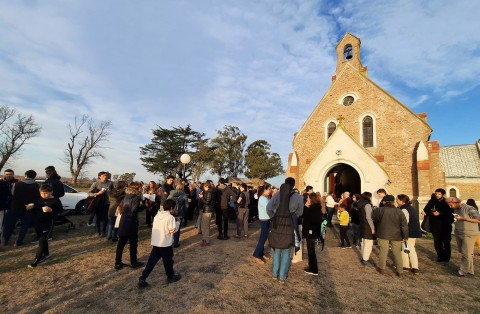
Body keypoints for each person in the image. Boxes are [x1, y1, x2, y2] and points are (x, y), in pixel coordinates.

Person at [266, 177, 303, 283]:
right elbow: (300, 212)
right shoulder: (298, 197)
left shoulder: (277, 195)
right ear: (293, 185)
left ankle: (274, 273)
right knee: (287, 250)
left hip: (277, 224)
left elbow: (268, 208)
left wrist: (274, 217)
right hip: (290, 225)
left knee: (277, 249)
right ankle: (282, 276)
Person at [138, 199, 181, 288]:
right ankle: (170, 276)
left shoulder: (157, 215)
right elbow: (172, 230)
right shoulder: (170, 217)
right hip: (165, 243)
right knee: (168, 261)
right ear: (172, 208)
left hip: (156, 242)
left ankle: (143, 277)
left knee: (151, 261)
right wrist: (177, 223)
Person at [27, 184, 62, 268]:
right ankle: (46, 254)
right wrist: (30, 207)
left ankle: (36, 260)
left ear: (51, 192)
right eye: (42, 193)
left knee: (42, 240)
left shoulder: (55, 200)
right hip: (38, 222)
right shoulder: (38, 199)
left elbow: (60, 211)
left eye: (46, 193)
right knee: (42, 239)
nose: (43, 195)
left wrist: (51, 210)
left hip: (49, 222)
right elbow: (35, 210)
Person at [372, 195, 408, 276]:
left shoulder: (380, 210)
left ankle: (381, 268)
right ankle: (400, 270)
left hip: (383, 233)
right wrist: (405, 236)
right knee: (397, 253)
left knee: (383, 252)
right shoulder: (399, 211)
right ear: (393, 202)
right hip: (396, 235)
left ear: (384, 201)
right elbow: (404, 225)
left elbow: (374, 219)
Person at [3, 170, 40, 247]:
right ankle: (19, 241)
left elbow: (12, 194)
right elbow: (37, 198)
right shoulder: (37, 186)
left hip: (15, 207)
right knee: (24, 226)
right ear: (34, 176)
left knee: (9, 225)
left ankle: (5, 240)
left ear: (25, 175)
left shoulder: (17, 184)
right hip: (29, 208)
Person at [446, 197, 480, 277]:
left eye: (451, 205)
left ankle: (463, 271)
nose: (450, 207)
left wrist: (463, 219)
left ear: (457, 202)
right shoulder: (456, 209)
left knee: (466, 252)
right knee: (463, 251)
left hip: (469, 233)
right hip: (459, 232)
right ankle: (470, 270)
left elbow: (478, 220)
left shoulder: (469, 208)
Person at [114, 182, 145, 270]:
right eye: (139, 188)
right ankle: (134, 262)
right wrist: (144, 206)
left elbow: (121, 208)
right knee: (133, 244)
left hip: (123, 222)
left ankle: (118, 263)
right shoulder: (136, 198)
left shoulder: (125, 197)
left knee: (121, 244)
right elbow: (134, 209)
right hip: (131, 222)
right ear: (136, 188)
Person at [422, 188, 453, 262]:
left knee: (446, 241)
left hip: (445, 225)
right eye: (436, 193)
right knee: (437, 241)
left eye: (439, 194)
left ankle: (446, 257)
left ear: (442, 194)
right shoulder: (432, 201)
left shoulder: (446, 202)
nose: (437, 195)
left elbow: (450, 213)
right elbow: (426, 210)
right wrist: (425, 212)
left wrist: (440, 214)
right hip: (435, 225)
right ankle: (440, 256)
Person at [397, 194, 422, 274]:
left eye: (397, 199)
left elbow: (405, 222)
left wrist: (404, 234)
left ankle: (406, 265)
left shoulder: (404, 209)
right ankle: (414, 267)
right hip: (413, 231)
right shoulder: (410, 207)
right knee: (411, 248)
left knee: (405, 248)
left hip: (408, 232)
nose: (396, 201)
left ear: (401, 200)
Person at [87, 171, 114, 236]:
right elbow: (89, 193)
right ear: (99, 176)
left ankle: (103, 232)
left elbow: (113, 192)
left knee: (105, 218)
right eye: (103, 176)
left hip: (106, 203)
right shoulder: (95, 183)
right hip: (97, 203)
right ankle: (98, 231)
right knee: (98, 218)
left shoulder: (110, 183)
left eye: (106, 175)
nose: (105, 177)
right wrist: (97, 193)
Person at [302, 192, 323, 275]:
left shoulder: (312, 209)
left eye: (308, 198)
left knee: (311, 251)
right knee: (311, 250)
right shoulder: (316, 208)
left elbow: (304, 216)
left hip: (311, 232)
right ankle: (312, 267)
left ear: (311, 199)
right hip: (313, 232)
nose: (307, 199)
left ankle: (314, 269)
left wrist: (306, 206)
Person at [251, 184, 272, 264]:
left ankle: (261, 253)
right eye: (269, 189)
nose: (270, 191)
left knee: (264, 237)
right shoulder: (263, 198)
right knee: (263, 238)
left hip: (267, 219)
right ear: (264, 190)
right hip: (264, 219)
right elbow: (269, 208)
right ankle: (256, 255)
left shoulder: (266, 198)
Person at [167, 182, 188, 248]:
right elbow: (186, 205)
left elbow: (167, 202)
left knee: (169, 227)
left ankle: (168, 242)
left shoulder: (171, 193)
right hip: (180, 213)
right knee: (177, 228)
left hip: (171, 212)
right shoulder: (184, 194)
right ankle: (176, 243)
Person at [0, 169, 17, 247]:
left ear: (13, 174)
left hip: (13, 204)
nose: (8, 175)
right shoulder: (2, 183)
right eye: (7, 174)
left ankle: (8, 234)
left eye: (10, 174)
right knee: (2, 222)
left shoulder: (17, 182)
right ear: (4, 175)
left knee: (9, 222)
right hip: (3, 205)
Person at [358, 192, 375, 265]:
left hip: (362, 224)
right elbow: (369, 217)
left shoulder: (360, 204)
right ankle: (365, 259)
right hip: (367, 225)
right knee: (368, 243)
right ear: (368, 197)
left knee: (364, 242)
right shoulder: (367, 205)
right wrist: (372, 227)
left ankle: (363, 257)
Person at [199, 181, 214, 246]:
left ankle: (206, 240)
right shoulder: (208, 192)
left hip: (207, 211)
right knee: (204, 226)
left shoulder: (209, 193)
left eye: (204, 187)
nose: (203, 188)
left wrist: (201, 197)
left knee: (206, 226)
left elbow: (207, 202)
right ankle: (205, 239)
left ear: (206, 186)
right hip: (207, 210)